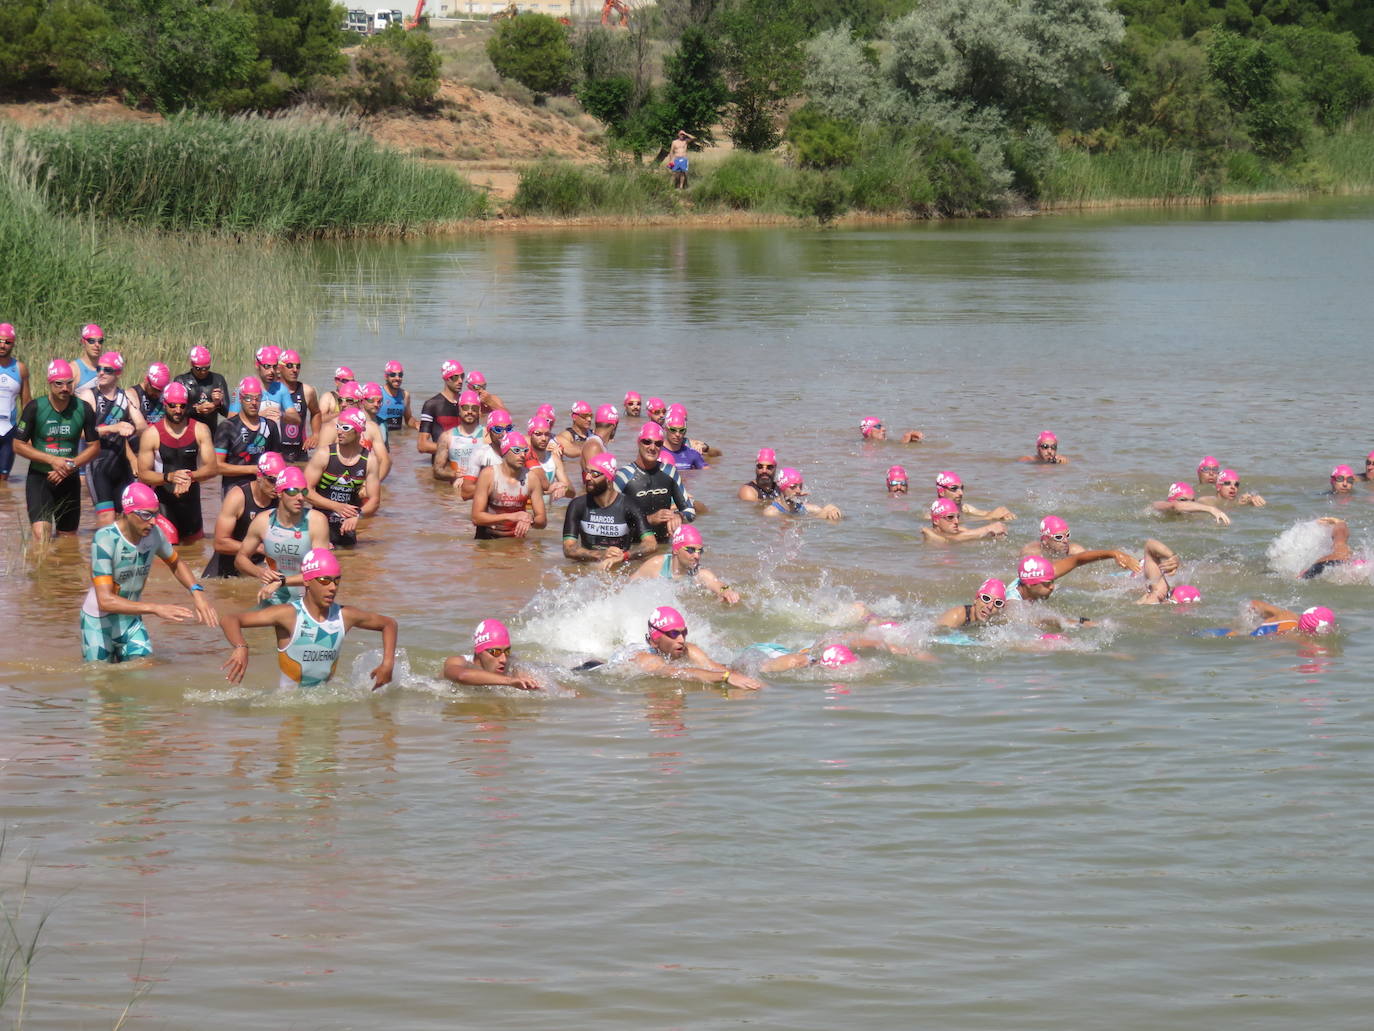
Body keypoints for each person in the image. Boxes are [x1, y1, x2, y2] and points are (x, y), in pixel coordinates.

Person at [220, 548, 396, 690]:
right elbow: (230, 619)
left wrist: (387, 664)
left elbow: (388, 624)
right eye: (324, 580)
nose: (333, 587)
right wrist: (241, 647)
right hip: (290, 707)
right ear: (307, 581)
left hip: (325, 701)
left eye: (336, 581)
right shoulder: (289, 614)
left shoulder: (344, 616)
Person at [79, 482, 218, 663]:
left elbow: (176, 563)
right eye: (146, 515)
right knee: (101, 679)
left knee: (143, 668)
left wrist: (197, 592)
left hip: (130, 620)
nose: (152, 521)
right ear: (128, 512)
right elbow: (105, 601)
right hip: (98, 623)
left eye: (156, 514)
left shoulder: (154, 535)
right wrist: (156, 608)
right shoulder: (105, 539)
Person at [12, 359, 100, 540]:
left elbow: (95, 447)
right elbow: (18, 445)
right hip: (40, 479)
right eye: (59, 384)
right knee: (41, 539)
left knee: (67, 542)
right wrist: (53, 460)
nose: (65, 389)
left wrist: (70, 464)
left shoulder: (83, 409)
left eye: (69, 383)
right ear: (50, 383)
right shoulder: (34, 408)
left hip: (70, 479)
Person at [235, 466, 332, 606]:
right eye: (293, 491)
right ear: (279, 493)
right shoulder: (263, 521)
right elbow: (240, 559)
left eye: (303, 492)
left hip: (305, 603)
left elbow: (322, 572)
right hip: (271, 597)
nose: (300, 498)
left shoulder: (316, 521)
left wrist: (282, 582)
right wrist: (259, 572)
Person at [135, 381, 217, 544]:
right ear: (164, 404)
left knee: (195, 553)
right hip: (163, 502)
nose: (178, 410)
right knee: (170, 550)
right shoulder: (152, 434)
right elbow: (143, 474)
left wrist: (189, 476)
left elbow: (212, 468)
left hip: (192, 504)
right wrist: (169, 477)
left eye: (182, 406)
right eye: (172, 405)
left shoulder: (200, 430)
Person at [76, 350, 146, 526]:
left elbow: (142, 427)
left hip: (122, 466)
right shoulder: (89, 395)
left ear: (118, 373)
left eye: (107, 370)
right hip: (98, 465)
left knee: (126, 519)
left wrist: (133, 427)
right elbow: (84, 432)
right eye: (99, 368)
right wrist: (115, 427)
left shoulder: (126, 397)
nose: (100, 372)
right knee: (106, 519)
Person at [630, 605, 765, 690]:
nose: (681, 640)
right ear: (655, 640)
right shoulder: (644, 658)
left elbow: (714, 667)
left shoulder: (688, 649)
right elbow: (676, 672)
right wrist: (725, 677)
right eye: (673, 634)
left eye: (684, 633)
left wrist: (756, 684)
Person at [562, 453, 657, 571]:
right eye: (586, 472)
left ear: (609, 479)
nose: (587, 478)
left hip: (621, 565)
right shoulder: (577, 505)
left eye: (595, 474)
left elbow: (651, 544)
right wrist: (601, 554)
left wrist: (624, 556)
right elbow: (569, 549)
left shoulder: (630, 505)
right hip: (589, 566)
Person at [304, 408, 380, 548]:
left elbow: (375, 500)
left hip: (347, 526)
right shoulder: (325, 455)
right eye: (338, 426)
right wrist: (335, 506)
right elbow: (305, 490)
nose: (339, 431)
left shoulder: (369, 460)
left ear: (358, 430)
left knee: (350, 562)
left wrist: (358, 515)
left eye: (345, 427)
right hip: (319, 523)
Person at [203, 451, 284, 578]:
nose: (276, 486)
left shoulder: (283, 498)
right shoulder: (237, 497)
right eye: (271, 480)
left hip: (258, 568)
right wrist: (257, 547)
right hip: (226, 569)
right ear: (259, 476)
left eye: (280, 481)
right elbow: (220, 543)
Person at [615, 422, 697, 539]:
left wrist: (679, 516)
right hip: (633, 545)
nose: (652, 448)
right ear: (638, 443)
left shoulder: (670, 472)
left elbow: (690, 511)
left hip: (662, 545)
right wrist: (648, 520)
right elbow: (610, 520)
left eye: (658, 444)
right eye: (647, 442)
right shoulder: (624, 475)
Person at [631, 525, 740, 603]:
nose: (697, 556)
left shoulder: (700, 574)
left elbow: (718, 585)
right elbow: (627, 587)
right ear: (675, 550)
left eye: (700, 551)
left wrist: (727, 592)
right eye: (691, 550)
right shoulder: (656, 565)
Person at [471, 430, 547, 540]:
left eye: (525, 451)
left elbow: (542, 521)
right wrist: (511, 517)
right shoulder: (488, 475)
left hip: (516, 538)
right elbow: (476, 517)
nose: (522, 455)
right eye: (517, 450)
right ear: (505, 451)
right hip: (488, 538)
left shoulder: (531, 478)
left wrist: (530, 519)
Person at [213, 376, 282, 493]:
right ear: (240, 399)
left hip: (264, 491)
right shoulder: (227, 427)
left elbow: (279, 463)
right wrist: (251, 469)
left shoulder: (270, 426)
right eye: (248, 398)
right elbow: (217, 466)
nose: (254, 403)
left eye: (257, 398)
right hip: (234, 490)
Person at [317, 383, 391, 481]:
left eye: (349, 401)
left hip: (362, 483)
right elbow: (319, 464)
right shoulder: (330, 428)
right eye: (340, 400)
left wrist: (371, 485)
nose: (343, 404)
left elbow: (385, 461)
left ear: (361, 403)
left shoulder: (372, 428)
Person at [443, 619, 541, 691]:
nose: (504, 659)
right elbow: (462, 676)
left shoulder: (512, 665)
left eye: (507, 651)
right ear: (478, 651)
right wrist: (510, 681)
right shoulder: (458, 662)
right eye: (495, 652)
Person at [274, 349, 320, 463]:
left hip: (299, 452)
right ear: (280, 367)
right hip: (275, 451)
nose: (295, 370)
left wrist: (315, 434)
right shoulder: (271, 390)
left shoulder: (307, 391)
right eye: (289, 366)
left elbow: (316, 413)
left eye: (298, 366)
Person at [459, 408, 514, 502]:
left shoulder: (519, 452)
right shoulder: (480, 454)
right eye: (498, 429)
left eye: (508, 429)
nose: (504, 433)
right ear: (489, 431)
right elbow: (465, 492)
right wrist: (495, 486)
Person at [0, 323, 32, 483]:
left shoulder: (20, 369)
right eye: (0, 341)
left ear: (13, 344)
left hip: (8, 431)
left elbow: (26, 403)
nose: (2, 345)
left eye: (7, 342)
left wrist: (29, 431)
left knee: (4, 480)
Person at [432, 390, 485, 484]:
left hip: (479, 489)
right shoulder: (447, 437)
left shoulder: (487, 435)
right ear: (459, 410)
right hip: (454, 493)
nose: (470, 411)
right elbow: (437, 471)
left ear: (479, 411)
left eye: (474, 408)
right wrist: (454, 474)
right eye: (465, 407)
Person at [1200, 602, 1336, 638]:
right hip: (1229, 636)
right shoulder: (1292, 636)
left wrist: (1245, 618)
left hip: (1231, 631)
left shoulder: (1289, 616)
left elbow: (1255, 603)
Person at [175, 345, 229, 433]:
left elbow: (228, 414)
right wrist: (197, 409)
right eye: (198, 369)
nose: (203, 372)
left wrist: (218, 404)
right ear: (191, 364)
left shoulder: (218, 380)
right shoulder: (181, 381)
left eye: (206, 368)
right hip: (188, 433)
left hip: (210, 433)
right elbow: (175, 413)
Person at [417, 359, 466, 455]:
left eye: (462, 376)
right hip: (441, 465)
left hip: (465, 464)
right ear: (446, 378)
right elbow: (422, 445)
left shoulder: (468, 404)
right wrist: (454, 450)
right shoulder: (432, 405)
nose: (460, 381)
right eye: (455, 377)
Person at [764, 467, 842, 520]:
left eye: (800, 486)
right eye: (793, 487)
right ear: (782, 488)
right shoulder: (771, 512)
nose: (798, 490)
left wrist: (832, 509)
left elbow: (821, 511)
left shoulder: (804, 507)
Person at [935, 470, 1016, 521]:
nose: (961, 493)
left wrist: (1003, 514)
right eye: (954, 488)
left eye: (961, 488)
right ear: (941, 492)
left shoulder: (964, 508)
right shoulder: (934, 515)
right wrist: (989, 517)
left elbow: (985, 513)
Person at [526, 416, 573, 500]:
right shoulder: (522, 457)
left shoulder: (554, 458)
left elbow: (572, 493)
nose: (543, 438)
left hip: (549, 511)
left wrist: (563, 489)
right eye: (538, 434)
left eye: (547, 434)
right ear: (530, 434)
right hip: (526, 511)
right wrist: (548, 491)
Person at [935, 578, 1008, 629]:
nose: (990, 606)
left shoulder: (996, 621)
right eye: (986, 598)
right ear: (976, 599)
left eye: (998, 603)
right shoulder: (955, 617)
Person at [921, 499, 1005, 543]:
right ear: (936, 521)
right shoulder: (928, 533)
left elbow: (971, 534)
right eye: (950, 517)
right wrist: (988, 529)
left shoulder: (958, 530)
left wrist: (992, 534)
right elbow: (949, 541)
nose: (956, 521)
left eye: (957, 517)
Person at [1135, 538, 1190, 604]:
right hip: (1138, 570)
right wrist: (1173, 556)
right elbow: (1149, 544)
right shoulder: (1158, 586)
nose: (1167, 603)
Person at [1152, 482, 1231, 524]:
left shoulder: (1191, 517)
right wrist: (1211, 509)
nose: (1189, 504)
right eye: (1183, 500)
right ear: (1171, 499)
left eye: (1192, 501)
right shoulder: (1160, 505)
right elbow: (1175, 506)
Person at [555, 400, 595, 478]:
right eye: (585, 416)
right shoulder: (566, 435)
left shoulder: (593, 433)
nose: (589, 419)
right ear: (574, 417)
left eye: (591, 416)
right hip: (574, 474)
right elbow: (571, 450)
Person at [661, 404, 707, 470]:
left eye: (681, 430)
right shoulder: (656, 451)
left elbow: (710, 475)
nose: (677, 434)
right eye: (673, 430)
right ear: (665, 429)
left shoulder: (692, 454)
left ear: (685, 431)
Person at [1020, 515, 1085, 558]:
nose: (1065, 540)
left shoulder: (1076, 551)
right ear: (1045, 540)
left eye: (1067, 535)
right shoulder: (1031, 553)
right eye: (1059, 537)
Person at [378, 360, 417, 432]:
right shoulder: (379, 393)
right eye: (393, 375)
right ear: (386, 376)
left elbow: (408, 419)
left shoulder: (405, 395)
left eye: (400, 375)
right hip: (381, 438)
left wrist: (417, 424)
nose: (397, 378)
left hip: (399, 438)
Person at [72, 324, 105, 389]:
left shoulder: (107, 367)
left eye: (100, 341)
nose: (97, 345)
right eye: (91, 341)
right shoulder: (74, 369)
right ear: (83, 342)